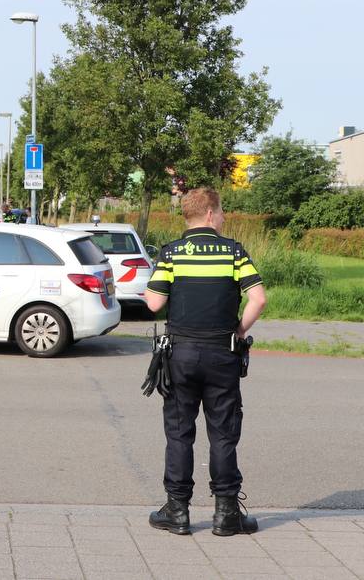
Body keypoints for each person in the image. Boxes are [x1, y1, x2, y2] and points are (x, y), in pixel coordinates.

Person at [143, 187, 267, 536]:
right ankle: (226, 514)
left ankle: (177, 511)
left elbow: (153, 303)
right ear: (210, 213)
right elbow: (258, 299)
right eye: (222, 211)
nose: (224, 217)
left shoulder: (171, 254)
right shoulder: (233, 252)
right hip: (222, 353)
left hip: (179, 355)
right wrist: (239, 331)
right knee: (223, 433)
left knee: (179, 433)